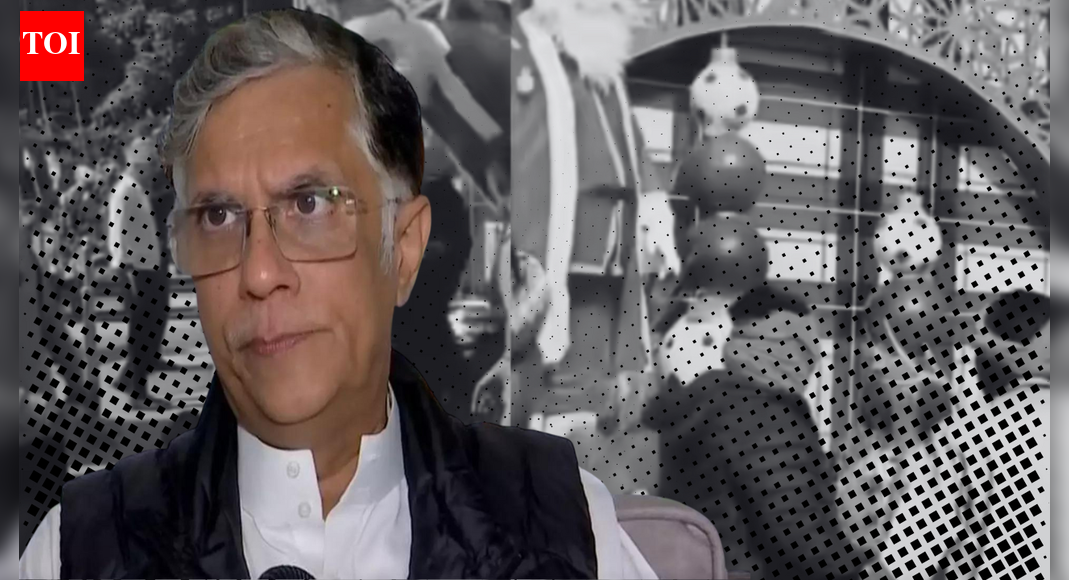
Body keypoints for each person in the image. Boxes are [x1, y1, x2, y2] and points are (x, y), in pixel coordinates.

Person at [19, 9, 657, 580]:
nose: (259, 273)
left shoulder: (566, 529)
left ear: (403, 248)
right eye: (217, 216)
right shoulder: (75, 551)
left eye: (311, 204)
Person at [505, 0, 681, 448]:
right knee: (546, 363)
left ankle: (581, 450)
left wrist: (656, 207)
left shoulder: (601, 67)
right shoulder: (526, 52)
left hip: (612, 240)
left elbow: (633, 147)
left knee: (596, 365)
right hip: (558, 238)